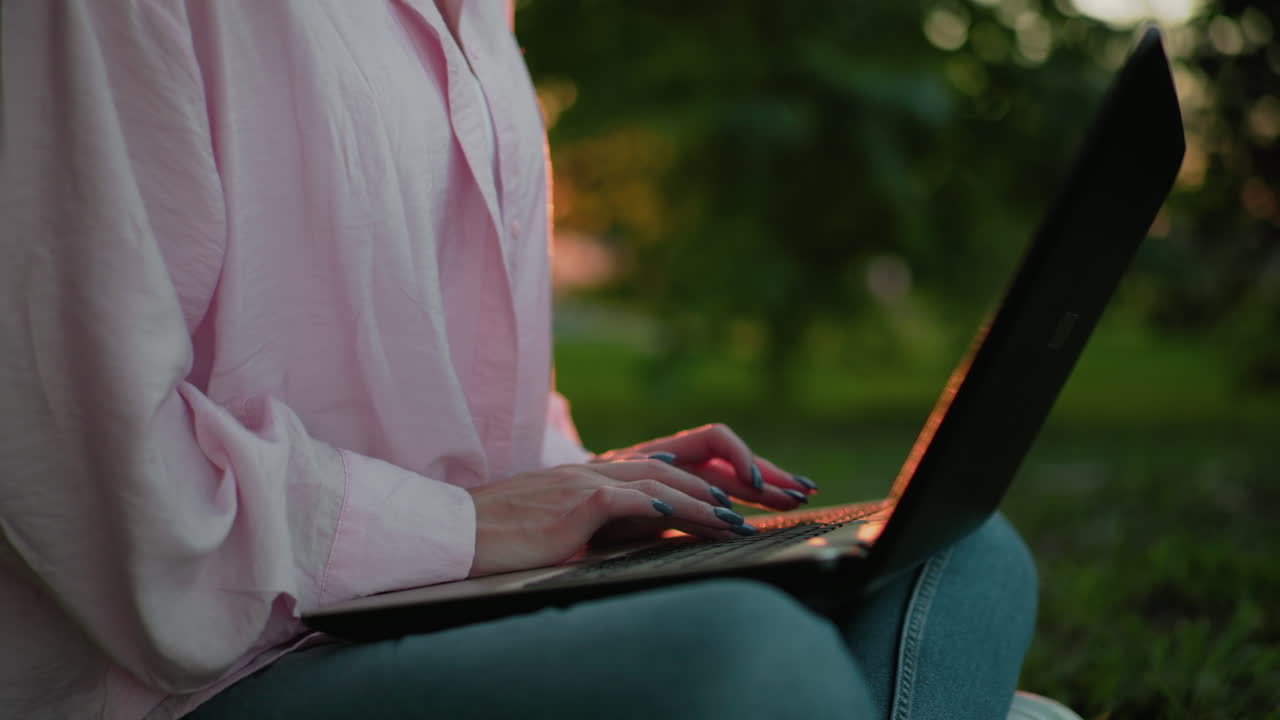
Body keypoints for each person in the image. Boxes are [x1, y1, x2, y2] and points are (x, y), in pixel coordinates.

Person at [0, 2, 1037, 718]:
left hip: (435, 608)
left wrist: (584, 493)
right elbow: (74, 458)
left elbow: (466, 381)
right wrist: (458, 528)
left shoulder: (486, 17)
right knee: (751, 667)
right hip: (192, 678)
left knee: (957, 559)